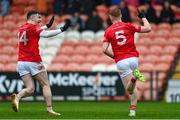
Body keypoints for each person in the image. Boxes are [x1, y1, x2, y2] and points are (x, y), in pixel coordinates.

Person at [11, 10, 70, 115]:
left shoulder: (21, 28)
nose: (40, 19)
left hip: (21, 62)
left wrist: (47, 26)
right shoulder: (33, 28)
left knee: (30, 89)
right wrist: (61, 29)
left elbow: (34, 32)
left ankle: (18, 97)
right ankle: (49, 109)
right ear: (32, 18)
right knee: (45, 85)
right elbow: (45, 35)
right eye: (39, 17)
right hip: (33, 61)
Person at [102, 7, 151, 117]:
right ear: (121, 15)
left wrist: (114, 56)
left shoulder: (108, 31)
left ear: (110, 17)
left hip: (121, 60)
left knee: (130, 90)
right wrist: (143, 17)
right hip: (133, 59)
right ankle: (132, 111)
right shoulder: (128, 26)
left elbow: (104, 49)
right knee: (133, 88)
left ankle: (134, 78)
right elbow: (148, 29)